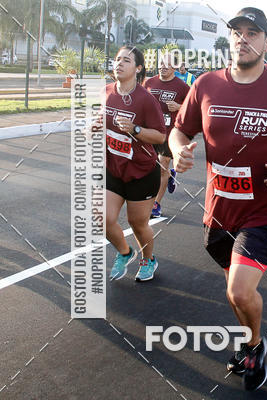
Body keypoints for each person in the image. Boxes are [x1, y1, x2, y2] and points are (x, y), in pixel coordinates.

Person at [168, 7, 267, 391]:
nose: (243, 38)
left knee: (239, 289)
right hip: (219, 211)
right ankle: (249, 341)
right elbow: (179, 130)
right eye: (237, 31)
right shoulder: (206, 84)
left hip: (266, 210)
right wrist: (177, 151)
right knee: (236, 294)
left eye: (252, 32)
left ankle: (254, 347)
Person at [102, 46, 166, 281]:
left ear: (138, 68)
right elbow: (103, 119)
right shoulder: (106, 91)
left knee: (137, 224)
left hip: (141, 172)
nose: (119, 63)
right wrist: (95, 126)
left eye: (126, 60)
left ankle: (148, 259)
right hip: (114, 168)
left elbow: (160, 137)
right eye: (117, 59)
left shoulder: (146, 99)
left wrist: (135, 129)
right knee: (102, 219)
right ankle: (124, 252)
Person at [143, 52, 190, 218]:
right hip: (149, 132)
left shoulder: (182, 87)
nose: (162, 67)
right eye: (161, 64)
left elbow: (194, 107)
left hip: (168, 134)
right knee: (150, 167)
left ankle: (156, 204)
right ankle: (170, 175)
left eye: (167, 64)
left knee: (162, 165)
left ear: (174, 67)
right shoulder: (149, 83)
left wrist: (178, 106)